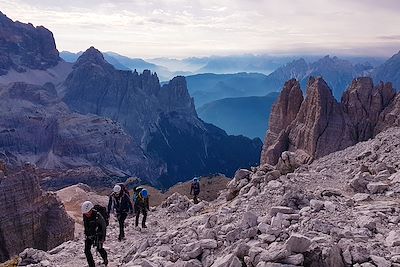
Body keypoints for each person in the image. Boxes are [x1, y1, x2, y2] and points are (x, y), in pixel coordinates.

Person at [81, 201, 108, 267]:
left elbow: (103, 226)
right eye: (85, 213)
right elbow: (85, 225)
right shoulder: (85, 215)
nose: (87, 214)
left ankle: (105, 259)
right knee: (87, 250)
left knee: (99, 249)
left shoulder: (98, 215)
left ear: (91, 210)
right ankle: (91, 265)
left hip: (98, 235)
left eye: (88, 213)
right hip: (89, 235)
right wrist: (86, 234)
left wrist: (103, 238)